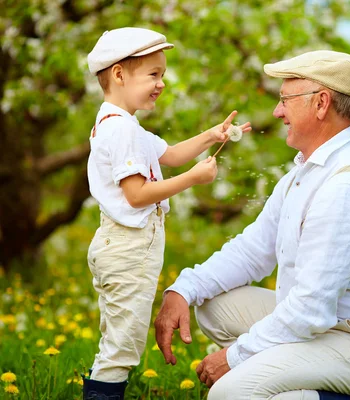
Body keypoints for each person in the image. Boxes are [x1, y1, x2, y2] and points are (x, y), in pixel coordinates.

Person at [154, 50, 350, 400]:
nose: (277, 112)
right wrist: (182, 289)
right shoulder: (305, 173)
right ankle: (292, 385)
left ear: (321, 103)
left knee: (229, 393)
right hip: (327, 329)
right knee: (213, 307)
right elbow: (252, 251)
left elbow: (309, 309)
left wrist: (234, 357)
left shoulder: (347, 189)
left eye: (285, 100)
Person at [83, 27, 250, 399]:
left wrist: (212, 135)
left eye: (163, 75)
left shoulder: (125, 125)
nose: (161, 84)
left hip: (123, 247)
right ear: (119, 75)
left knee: (118, 342)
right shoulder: (121, 130)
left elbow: (170, 154)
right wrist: (192, 179)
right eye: (153, 75)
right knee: (120, 350)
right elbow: (138, 194)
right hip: (127, 250)